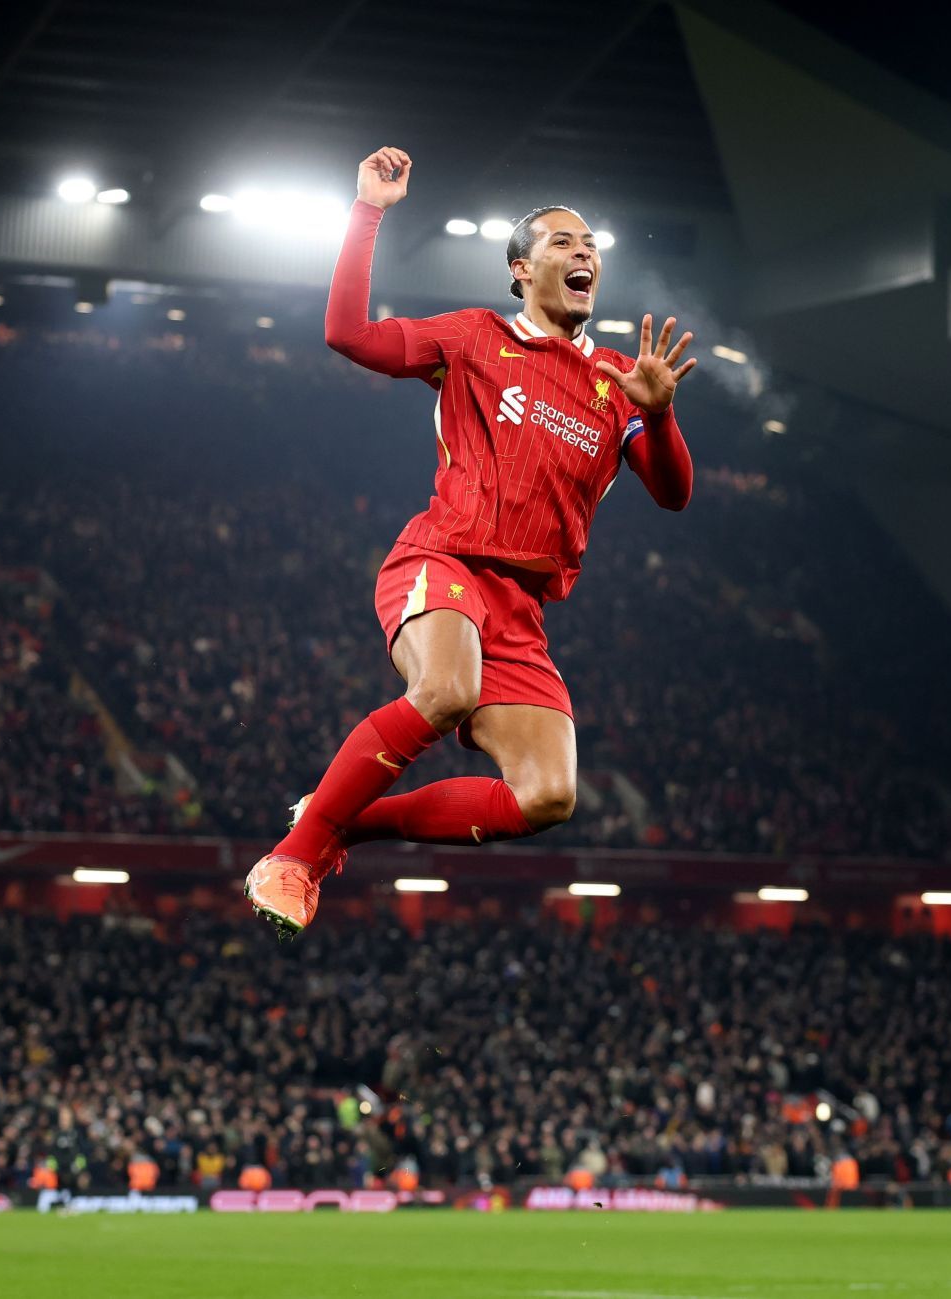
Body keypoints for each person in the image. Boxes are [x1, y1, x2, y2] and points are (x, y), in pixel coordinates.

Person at [244, 145, 698, 936]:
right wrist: (368, 211)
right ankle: (293, 854)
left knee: (547, 796)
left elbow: (674, 494)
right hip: (443, 559)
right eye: (561, 242)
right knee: (447, 688)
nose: (583, 251)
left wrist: (658, 414)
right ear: (521, 270)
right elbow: (348, 334)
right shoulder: (476, 338)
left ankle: (343, 818)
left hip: (520, 607)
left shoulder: (619, 381)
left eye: (590, 244)